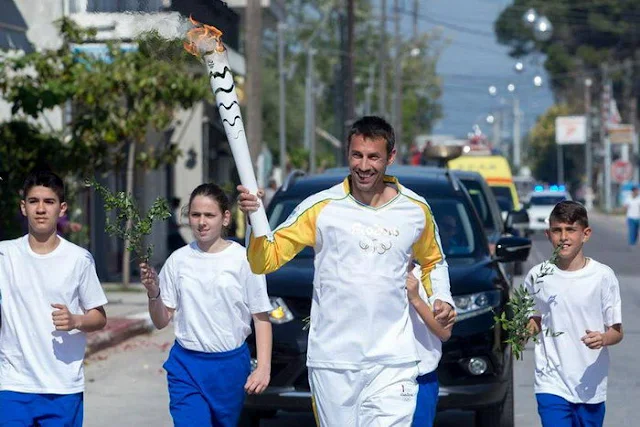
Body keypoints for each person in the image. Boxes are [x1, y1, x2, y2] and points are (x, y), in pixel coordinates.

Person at [237, 115, 456, 426]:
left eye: (373, 157)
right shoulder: (321, 208)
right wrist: (255, 221)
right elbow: (264, 260)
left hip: (393, 360)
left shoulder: (415, 210)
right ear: (348, 155)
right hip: (333, 360)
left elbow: (434, 261)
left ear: (390, 157)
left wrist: (442, 298)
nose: (363, 166)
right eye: (357, 155)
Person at [139, 183, 273, 427]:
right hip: (186, 367)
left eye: (209, 215)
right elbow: (161, 320)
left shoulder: (244, 259)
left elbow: (261, 317)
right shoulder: (178, 260)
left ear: (225, 218)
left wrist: (263, 368)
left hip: (230, 368)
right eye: (195, 214)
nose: (201, 222)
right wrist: (154, 293)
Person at [0, 170, 108, 427]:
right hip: (13, 384)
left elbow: (99, 317)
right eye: (33, 201)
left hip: (62, 386)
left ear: (62, 209)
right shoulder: (5, 254)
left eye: (48, 202)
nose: (40, 209)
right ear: (23, 207)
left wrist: (75, 320)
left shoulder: (78, 259)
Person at [525, 201, 623, 427]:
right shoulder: (537, 276)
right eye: (557, 230)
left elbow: (617, 332)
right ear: (548, 234)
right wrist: (524, 329)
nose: (563, 237)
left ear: (585, 234)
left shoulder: (602, 276)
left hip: (590, 383)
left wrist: (603, 338)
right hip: (551, 381)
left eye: (570, 230)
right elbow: (534, 318)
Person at [406, 263, 452, 427]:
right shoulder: (372, 275)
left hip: (420, 377)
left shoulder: (430, 276)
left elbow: (445, 332)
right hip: (379, 373)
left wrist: (416, 299)